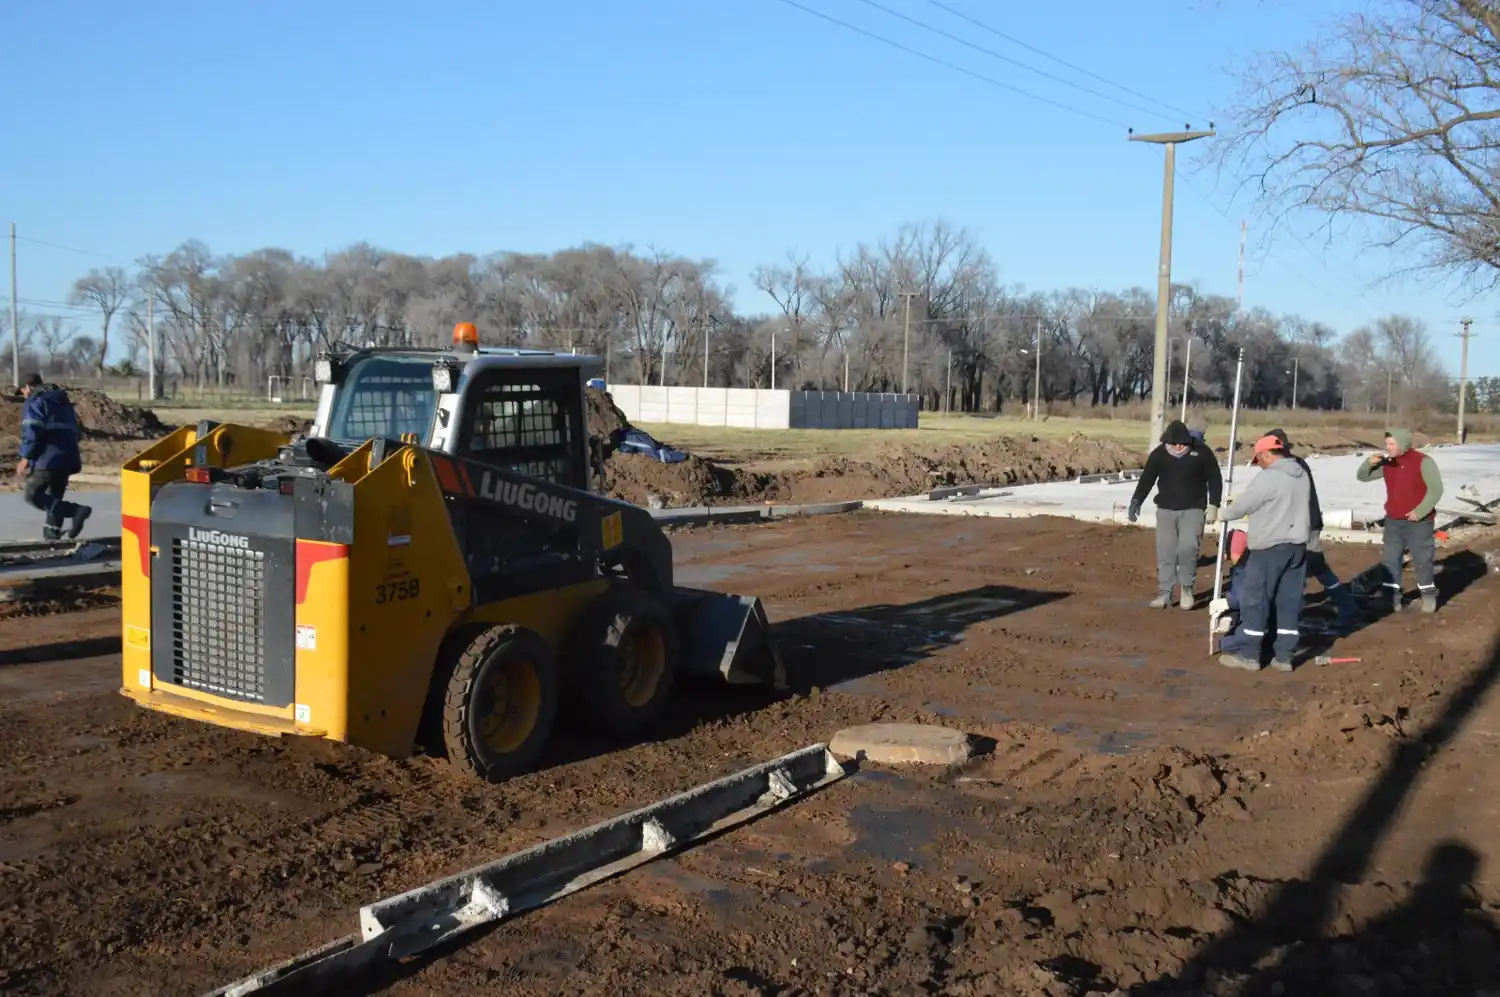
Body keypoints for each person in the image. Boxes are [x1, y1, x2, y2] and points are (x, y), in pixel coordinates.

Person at [1212, 433, 1311, 672]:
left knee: (1255, 601)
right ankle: (1284, 657)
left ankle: (1249, 655)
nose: (1261, 465)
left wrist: (1221, 513)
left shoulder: (1269, 478)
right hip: (1297, 549)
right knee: (1288, 602)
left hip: (1269, 549)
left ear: (1266, 454)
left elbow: (1245, 505)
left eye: (1260, 459)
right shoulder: (1301, 475)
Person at [1266, 428, 1360, 630]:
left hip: (1304, 526)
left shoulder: (1293, 468)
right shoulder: (1290, 465)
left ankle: (1345, 607)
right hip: (1299, 525)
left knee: (1308, 567)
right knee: (1306, 568)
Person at [1128, 419, 1223, 609]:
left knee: (1188, 549)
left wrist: (1214, 504)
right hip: (1166, 510)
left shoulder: (1202, 452)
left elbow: (1215, 478)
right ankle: (1166, 593)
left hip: (1193, 509)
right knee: (1166, 552)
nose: (1179, 446)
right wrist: (1136, 500)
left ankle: (1187, 590)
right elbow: (1147, 479)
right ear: (1167, 442)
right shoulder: (1159, 454)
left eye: (1182, 443)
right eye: (1174, 443)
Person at [1357, 428, 1443, 614]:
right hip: (1394, 521)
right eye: (1386, 444)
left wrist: (1419, 512)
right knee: (1390, 560)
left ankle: (1428, 597)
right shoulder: (1389, 463)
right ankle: (1391, 599)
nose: (1387, 448)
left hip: (1419, 522)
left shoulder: (1423, 462)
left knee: (1422, 560)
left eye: (1391, 444)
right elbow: (1363, 477)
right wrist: (1368, 463)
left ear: (1403, 444)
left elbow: (1436, 489)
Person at [17, 374, 91, 541]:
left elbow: (32, 431)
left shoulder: (36, 401)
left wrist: (25, 457)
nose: (23, 395)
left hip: (48, 458)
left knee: (33, 495)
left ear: (28, 387)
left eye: (22, 390)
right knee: (54, 496)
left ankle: (76, 511)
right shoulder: (63, 403)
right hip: (68, 457)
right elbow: (76, 432)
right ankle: (52, 535)